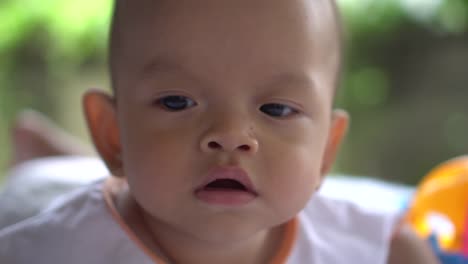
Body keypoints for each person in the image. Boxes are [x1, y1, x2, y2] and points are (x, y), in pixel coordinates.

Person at [0, 0, 439, 263]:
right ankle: (51, 156)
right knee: (47, 183)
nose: (231, 135)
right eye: (177, 102)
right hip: (48, 193)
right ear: (112, 134)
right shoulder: (42, 252)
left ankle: (54, 152)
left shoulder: (375, 248)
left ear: (325, 150)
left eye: (277, 108)